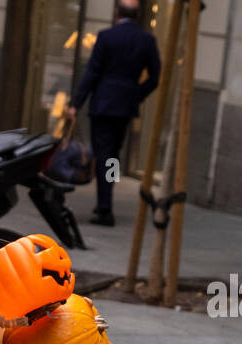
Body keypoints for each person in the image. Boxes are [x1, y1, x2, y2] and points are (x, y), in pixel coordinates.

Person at [67, 0, 161, 226]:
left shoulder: (106, 36)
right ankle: (106, 197)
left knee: (104, 154)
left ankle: (105, 206)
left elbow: (92, 72)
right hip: (125, 106)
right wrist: (136, 94)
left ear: (117, 12)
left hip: (103, 103)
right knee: (113, 154)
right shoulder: (146, 40)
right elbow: (155, 77)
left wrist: (76, 103)